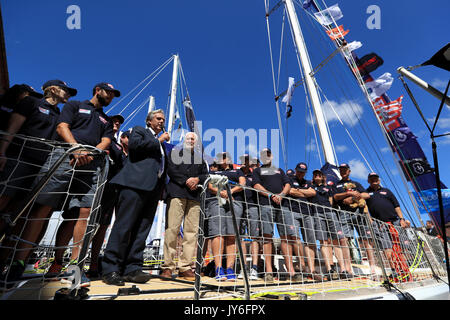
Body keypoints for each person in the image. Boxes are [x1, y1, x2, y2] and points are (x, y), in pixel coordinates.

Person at [4, 82, 118, 285]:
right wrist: (75, 148)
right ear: (97, 90)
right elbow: (62, 126)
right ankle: (18, 262)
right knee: (42, 207)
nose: (110, 96)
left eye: (113, 94)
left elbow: (106, 140)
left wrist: (90, 153)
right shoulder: (74, 105)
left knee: (84, 212)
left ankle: (75, 264)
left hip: (91, 165)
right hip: (64, 155)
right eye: (108, 92)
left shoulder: (106, 119)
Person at [101, 109, 169, 286]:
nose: (162, 121)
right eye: (158, 118)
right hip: (134, 185)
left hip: (153, 190)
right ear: (149, 121)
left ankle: (132, 267)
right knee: (124, 226)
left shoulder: (160, 144)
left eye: (163, 119)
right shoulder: (140, 130)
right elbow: (135, 147)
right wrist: (158, 140)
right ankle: (111, 268)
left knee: (142, 230)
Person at [160, 132, 208, 281]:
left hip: (194, 197)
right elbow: (171, 170)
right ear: (184, 140)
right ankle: (167, 267)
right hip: (176, 193)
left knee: (191, 232)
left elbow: (206, 175)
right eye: (189, 138)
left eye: (194, 138)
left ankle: (185, 267)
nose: (191, 140)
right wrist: (187, 181)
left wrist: (197, 179)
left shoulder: (201, 159)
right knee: (172, 230)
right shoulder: (174, 154)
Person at [251, 148, 299, 283]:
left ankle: (291, 272)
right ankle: (269, 271)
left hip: (283, 205)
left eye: (268, 154)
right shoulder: (257, 170)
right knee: (267, 236)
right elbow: (256, 185)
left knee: (287, 237)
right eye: (263, 155)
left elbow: (288, 184)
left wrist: (281, 195)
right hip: (266, 204)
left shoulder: (279, 170)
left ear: (271, 156)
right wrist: (271, 195)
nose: (265, 157)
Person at [205, 152, 246, 281]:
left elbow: (242, 184)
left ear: (228, 159)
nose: (221, 160)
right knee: (217, 234)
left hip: (234, 201)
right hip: (216, 201)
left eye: (223, 157)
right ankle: (218, 268)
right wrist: (220, 193)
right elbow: (209, 185)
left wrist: (230, 192)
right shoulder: (214, 172)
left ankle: (230, 268)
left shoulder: (237, 171)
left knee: (232, 235)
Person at [365, 172, 411, 281]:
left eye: (375, 178)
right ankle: (394, 270)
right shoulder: (366, 193)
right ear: (368, 181)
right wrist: (369, 220)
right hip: (379, 223)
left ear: (379, 180)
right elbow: (365, 207)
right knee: (387, 247)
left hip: (395, 222)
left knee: (400, 246)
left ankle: (404, 270)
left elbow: (397, 206)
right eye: (371, 179)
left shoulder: (387, 191)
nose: (374, 180)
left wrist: (402, 219)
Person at [333, 163, 372, 279]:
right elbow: (335, 197)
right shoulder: (336, 185)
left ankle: (373, 268)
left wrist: (354, 198)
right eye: (341, 170)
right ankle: (348, 269)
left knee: (366, 239)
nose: (343, 171)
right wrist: (347, 194)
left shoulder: (357, 184)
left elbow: (366, 195)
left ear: (349, 171)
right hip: (344, 213)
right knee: (344, 240)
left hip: (359, 212)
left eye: (345, 170)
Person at [309, 169, 347, 281]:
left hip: (330, 212)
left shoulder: (329, 188)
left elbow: (331, 200)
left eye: (319, 174)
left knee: (336, 240)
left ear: (322, 176)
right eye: (315, 175)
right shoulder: (311, 187)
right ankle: (329, 268)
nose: (317, 176)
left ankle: (343, 269)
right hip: (317, 213)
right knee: (323, 241)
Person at [287, 162, 314, 280]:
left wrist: (299, 191)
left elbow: (313, 193)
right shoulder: (289, 179)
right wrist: (305, 193)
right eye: (299, 171)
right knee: (295, 238)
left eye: (303, 172)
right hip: (293, 210)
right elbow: (291, 191)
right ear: (295, 170)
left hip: (307, 213)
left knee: (310, 240)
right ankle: (302, 264)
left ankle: (312, 269)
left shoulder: (308, 182)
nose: (300, 173)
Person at [237, 154, 261, 281]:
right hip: (239, 206)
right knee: (240, 237)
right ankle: (243, 268)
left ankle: (254, 268)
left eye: (247, 161)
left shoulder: (255, 175)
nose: (245, 163)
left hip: (252, 206)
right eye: (243, 161)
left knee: (254, 237)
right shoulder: (237, 174)